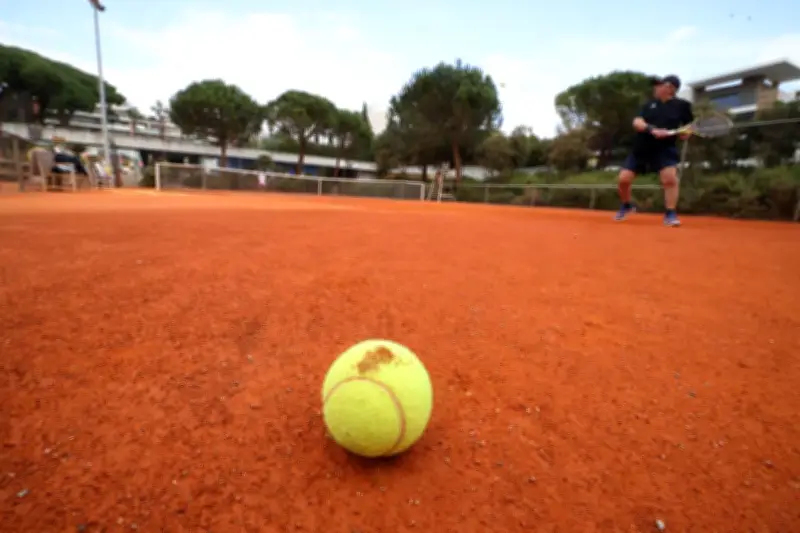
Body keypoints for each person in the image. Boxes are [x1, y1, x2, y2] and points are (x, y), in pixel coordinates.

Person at [615, 75, 694, 227]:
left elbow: (688, 127)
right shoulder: (648, 105)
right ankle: (626, 204)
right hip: (642, 148)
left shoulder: (683, 106)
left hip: (665, 149)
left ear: (670, 88)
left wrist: (685, 133)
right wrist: (652, 130)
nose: (655, 88)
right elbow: (637, 122)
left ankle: (670, 213)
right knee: (623, 180)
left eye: (659, 85)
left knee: (669, 179)